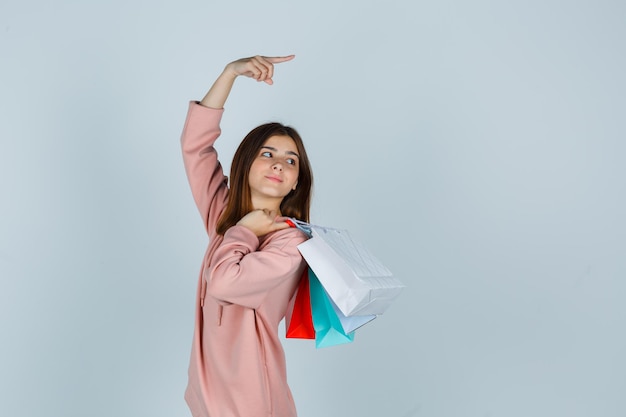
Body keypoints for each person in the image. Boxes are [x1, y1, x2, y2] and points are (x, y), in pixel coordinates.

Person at [180, 55, 313, 417]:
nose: (278, 164)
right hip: (208, 394)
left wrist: (243, 232)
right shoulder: (223, 214)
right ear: (246, 162)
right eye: (268, 153)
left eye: (291, 161)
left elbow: (225, 282)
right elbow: (195, 147)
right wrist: (230, 74)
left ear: (297, 181)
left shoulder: (291, 243)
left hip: (252, 399)